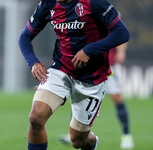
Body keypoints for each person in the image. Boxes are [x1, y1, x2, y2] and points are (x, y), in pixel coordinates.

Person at [18, 0, 130, 149]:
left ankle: (92, 142)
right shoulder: (47, 4)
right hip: (61, 69)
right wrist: (33, 62)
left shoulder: (94, 3)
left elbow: (122, 33)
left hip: (92, 77)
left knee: (78, 141)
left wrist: (89, 50)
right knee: (36, 118)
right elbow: (24, 37)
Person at [59, 43, 134, 149]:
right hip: (90, 65)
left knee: (117, 99)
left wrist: (121, 51)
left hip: (109, 65)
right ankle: (75, 133)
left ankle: (127, 135)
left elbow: (120, 31)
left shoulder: (107, 25)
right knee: (80, 97)